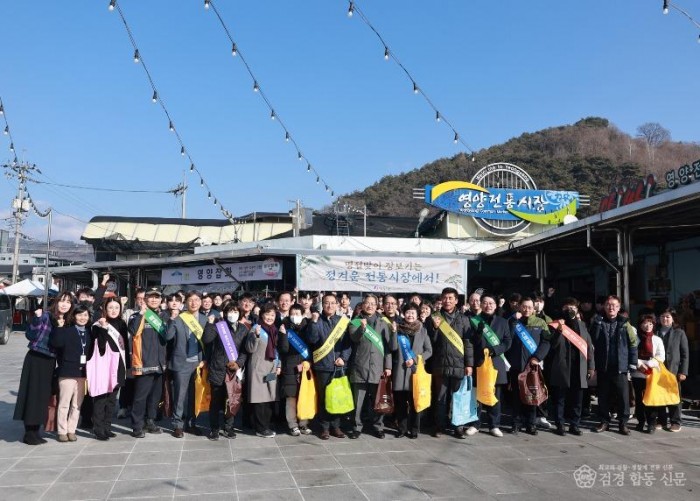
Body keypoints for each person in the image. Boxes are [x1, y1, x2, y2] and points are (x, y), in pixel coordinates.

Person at [14, 291, 73, 445]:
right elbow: (31, 335)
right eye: (62, 301)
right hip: (36, 357)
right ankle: (29, 432)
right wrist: (37, 318)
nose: (64, 304)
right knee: (33, 393)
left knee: (42, 395)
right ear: (57, 302)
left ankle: (35, 430)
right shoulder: (46, 316)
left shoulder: (66, 321)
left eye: (68, 302)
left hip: (50, 361)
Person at [426, 287, 475, 439]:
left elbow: (468, 343)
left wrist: (469, 364)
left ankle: (458, 427)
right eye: (445, 298)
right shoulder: (434, 317)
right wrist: (434, 329)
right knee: (440, 398)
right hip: (440, 363)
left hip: (459, 364)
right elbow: (430, 341)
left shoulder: (463, 319)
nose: (447, 301)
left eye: (450, 298)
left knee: (457, 398)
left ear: (456, 300)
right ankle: (439, 426)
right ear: (441, 299)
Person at [590, 295, 638, 435]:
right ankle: (604, 421)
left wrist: (633, 362)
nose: (611, 307)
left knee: (623, 396)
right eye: (608, 305)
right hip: (603, 365)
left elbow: (633, 344)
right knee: (603, 395)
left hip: (620, 366)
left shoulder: (625, 323)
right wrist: (597, 323)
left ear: (618, 307)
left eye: (614, 305)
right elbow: (592, 339)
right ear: (604, 307)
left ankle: (623, 423)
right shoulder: (598, 321)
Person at [347, 294, 393, 439]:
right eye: (367, 303)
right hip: (360, 366)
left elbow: (387, 347)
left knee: (378, 400)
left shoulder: (383, 322)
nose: (370, 306)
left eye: (373, 303)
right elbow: (354, 338)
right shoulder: (355, 321)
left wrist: (388, 366)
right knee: (358, 400)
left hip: (378, 367)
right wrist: (362, 328)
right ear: (363, 304)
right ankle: (357, 426)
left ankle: (378, 426)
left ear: (377, 305)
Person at [307, 293, 352, 440]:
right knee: (324, 398)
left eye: (333, 303)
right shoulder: (316, 320)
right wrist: (313, 323)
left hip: (339, 367)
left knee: (337, 396)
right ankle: (324, 427)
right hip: (322, 366)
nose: (330, 306)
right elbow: (312, 339)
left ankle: (336, 426)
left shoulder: (342, 322)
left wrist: (343, 358)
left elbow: (348, 344)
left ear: (338, 305)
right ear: (322, 304)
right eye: (326, 303)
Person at [547, 298, 594, 436]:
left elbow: (589, 347)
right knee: (560, 399)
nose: (570, 311)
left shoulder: (582, 325)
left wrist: (591, 367)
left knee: (577, 399)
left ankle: (575, 424)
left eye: (573, 308)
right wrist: (559, 330)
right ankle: (560, 424)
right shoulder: (555, 325)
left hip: (579, 368)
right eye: (567, 308)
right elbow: (552, 346)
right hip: (562, 367)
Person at [202, 302, 248, 440]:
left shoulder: (243, 329)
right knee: (216, 401)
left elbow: (245, 351)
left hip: (234, 371)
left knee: (232, 399)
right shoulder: (219, 326)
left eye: (235, 311)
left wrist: (238, 363)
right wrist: (210, 324)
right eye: (230, 311)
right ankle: (214, 429)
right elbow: (207, 339)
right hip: (218, 369)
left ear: (240, 313)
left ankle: (229, 427)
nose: (232, 314)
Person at [506, 297, 551, 435]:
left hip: (532, 366)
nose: (527, 310)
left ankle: (531, 424)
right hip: (515, 365)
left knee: (532, 394)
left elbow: (546, 342)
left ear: (534, 309)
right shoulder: (512, 321)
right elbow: (506, 338)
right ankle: (515, 423)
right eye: (524, 307)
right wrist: (513, 321)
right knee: (516, 396)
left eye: (530, 307)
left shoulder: (540, 322)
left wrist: (537, 357)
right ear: (519, 307)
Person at [165, 291, 207, 437]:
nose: (193, 303)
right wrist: (172, 319)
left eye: (196, 300)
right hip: (181, 363)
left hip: (198, 363)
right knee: (180, 395)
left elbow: (208, 343)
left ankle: (191, 424)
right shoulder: (179, 318)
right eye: (190, 300)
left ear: (200, 302)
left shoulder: (204, 319)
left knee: (194, 395)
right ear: (185, 303)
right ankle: (178, 424)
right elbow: (168, 336)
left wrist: (205, 359)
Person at [129, 287, 169, 438]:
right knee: (140, 397)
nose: (154, 299)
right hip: (144, 363)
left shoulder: (165, 316)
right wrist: (141, 313)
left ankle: (150, 421)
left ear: (161, 300)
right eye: (151, 297)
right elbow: (132, 330)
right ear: (145, 299)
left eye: (157, 297)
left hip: (160, 364)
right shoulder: (137, 316)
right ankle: (136, 426)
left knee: (155, 396)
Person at [471, 293, 512, 437]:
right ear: (480, 304)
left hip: (496, 361)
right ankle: (475, 423)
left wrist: (496, 350)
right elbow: (470, 342)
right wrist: (478, 332)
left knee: (495, 394)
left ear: (495, 305)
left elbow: (507, 341)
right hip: (479, 361)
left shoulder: (502, 321)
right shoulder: (474, 320)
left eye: (491, 303)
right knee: (476, 394)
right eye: (485, 303)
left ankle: (494, 425)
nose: (488, 306)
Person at [89, 297, 129, 440]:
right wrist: (104, 329)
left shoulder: (122, 324)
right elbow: (99, 345)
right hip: (103, 366)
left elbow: (126, 347)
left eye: (116, 307)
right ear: (104, 309)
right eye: (110, 307)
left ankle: (107, 426)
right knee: (101, 398)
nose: (113, 310)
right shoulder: (98, 325)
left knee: (112, 399)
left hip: (118, 365)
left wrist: (127, 366)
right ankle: (98, 428)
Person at [51, 303, 92, 442]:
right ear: (74, 316)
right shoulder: (67, 330)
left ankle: (71, 430)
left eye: (85, 315)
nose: (82, 318)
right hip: (67, 372)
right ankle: (62, 431)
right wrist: (59, 327)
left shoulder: (89, 332)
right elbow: (56, 343)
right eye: (80, 315)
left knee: (77, 404)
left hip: (83, 374)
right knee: (64, 403)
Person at [392, 304, 432, 438]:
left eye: (413, 313)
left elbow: (429, 351)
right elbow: (392, 348)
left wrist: (414, 359)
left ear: (417, 315)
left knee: (415, 402)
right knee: (401, 403)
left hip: (416, 371)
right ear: (403, 314)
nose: (410, 315)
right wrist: (393, 333)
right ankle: (402, 429)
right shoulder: (398, 329)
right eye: (408, 312)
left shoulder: (422, 330)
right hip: (400, 371)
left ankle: (414, 430)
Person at [246, 303, 281, 438]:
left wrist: (278, 364)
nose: (270, 317)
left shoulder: (274, 329)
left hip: (271, 367)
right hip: (258, 368)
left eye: (272, 315)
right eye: (267, 314)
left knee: (268, 398)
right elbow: (250, 348)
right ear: (262, 315)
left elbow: (276, 349)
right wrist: (256, 336)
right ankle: (260, 428)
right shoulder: (256, 328)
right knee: (259, 399)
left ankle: (265, 425)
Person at [278, 303, 312, 436]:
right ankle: (292, 424)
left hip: (305, 366)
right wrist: (283, 335)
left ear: (303, 314)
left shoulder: (308, 327)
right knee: (290, 397)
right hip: (289, 367)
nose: (294, 316)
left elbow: (312, 343)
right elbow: (284, 349)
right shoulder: (284, 326)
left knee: (305, 396)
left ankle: (304, 423)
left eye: (297, 314)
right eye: (292, 314)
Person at [631, 314, 665, 434]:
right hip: (637, 372)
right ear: (640, 325)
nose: (648, 326)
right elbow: (632, 353)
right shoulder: (635, 338)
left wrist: (651, 363)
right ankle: (640, 421)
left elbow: (661, 356)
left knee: (651, 398)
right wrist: (639, 363)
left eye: (650, 323)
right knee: (639, 399)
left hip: (652, 373)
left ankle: (651, 423)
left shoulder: (657, 339)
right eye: (645, 323)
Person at [656, 308, 689, 432]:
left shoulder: (679, 332)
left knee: (674, 395)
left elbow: (685, 354)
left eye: (668, 317)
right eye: (663, 316)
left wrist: (683, 371)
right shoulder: (655, 331)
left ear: (673, 319)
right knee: (659, 395)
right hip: (658, 370)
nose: (665, 319)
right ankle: (661, 420)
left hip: (673, 370)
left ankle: (675, 421)